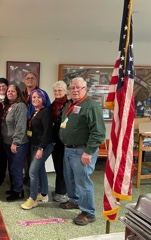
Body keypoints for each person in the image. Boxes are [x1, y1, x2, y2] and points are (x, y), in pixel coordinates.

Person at [59, 77, 105, 226]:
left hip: (82, 151)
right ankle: (74, 201)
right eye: (72, 88)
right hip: (68, 149)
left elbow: (98, 132)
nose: (75, 90)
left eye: (78, 87)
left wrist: (89, 151)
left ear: (86, 89)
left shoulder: (91, 106)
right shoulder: (69, 105)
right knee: (70, 179)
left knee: (83, 182)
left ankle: (88, 213)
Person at [21, 89, 54, 209]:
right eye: (33, 97)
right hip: (35, 145)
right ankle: (44, 194)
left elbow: (47, 133)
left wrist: (41, 148)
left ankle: (33, 198)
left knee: (32, 171)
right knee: (40, 169)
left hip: (43, 146)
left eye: (39, 98)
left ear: (43, 99)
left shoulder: (45, 112)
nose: (35, 99)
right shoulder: (35, 112)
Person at [1, 85, 29, 201]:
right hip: (7, 142)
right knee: (12, 168)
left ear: (18, 93)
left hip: (18, 143)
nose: (10, 93)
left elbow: (20, 126)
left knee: (16, 168)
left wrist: (15, 142)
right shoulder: (8, 106)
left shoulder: (20, 106)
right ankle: (14, 188)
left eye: (13, 91)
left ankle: (18, 191)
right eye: (8, 91)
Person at [22, 72, 51, 183]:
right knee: (27, 157)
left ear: (36, 80)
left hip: (38, 133)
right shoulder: (22, 95)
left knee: (37, 163)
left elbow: (46, 112)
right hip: (26, 131)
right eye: (27, 78)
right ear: (24, 81)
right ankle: (28, 179)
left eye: (32, 78)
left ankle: (37, 185)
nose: (30, 80)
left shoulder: (41, 94)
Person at [50, 81, 69, 202]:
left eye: (60, 90)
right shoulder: (53, 105)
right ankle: (58, 190)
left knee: (63, 168)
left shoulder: (68, 105)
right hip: (55, 141)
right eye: (55, 91)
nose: (57, 93)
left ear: (65, 91)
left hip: (64, 142)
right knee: (57, 166)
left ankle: (62, 192)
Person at [0, 77, 9, 186]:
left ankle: (13, 179)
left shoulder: (11, 100)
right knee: (1, 158)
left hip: (9, 133)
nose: (1, 87)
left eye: (3, 85)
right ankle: (1, 177)